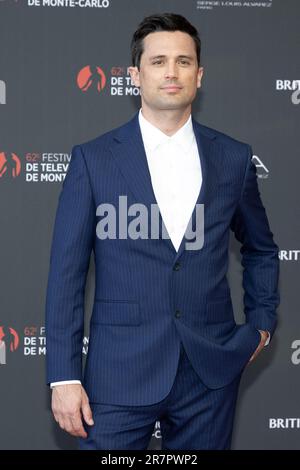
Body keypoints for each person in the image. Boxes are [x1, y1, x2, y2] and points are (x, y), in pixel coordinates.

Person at [45, 12, 280, 450]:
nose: (171, 72)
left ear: (199, 74)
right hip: (117, 376)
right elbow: (66, 275)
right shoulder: (93, 160)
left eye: (183, 61)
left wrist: (262, 323)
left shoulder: (232, 158)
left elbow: (262, 248)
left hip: (209, 375)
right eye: (158, 62)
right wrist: (63, 375)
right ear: (135, 75)